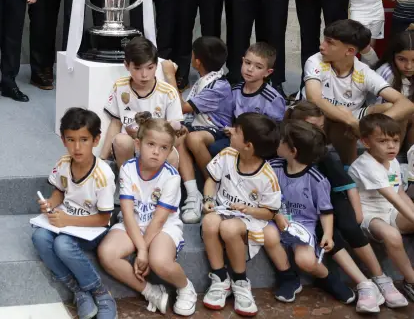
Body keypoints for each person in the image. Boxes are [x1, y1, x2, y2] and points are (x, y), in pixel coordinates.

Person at [286, 102, 409, 309]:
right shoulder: (284, 156)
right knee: (328, 232)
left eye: (320, 126)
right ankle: (363, 282)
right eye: (312, 126)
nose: (317, 131)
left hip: (332, 198)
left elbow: (347, 184)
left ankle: (380, 277)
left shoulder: (322, 153)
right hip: (306, 209)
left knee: (350, 225)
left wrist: (357, 213)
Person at [97, 114, 196, 316]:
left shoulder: (172, 177)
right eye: (151, 144)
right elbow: (126, 211)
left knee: (159, 261)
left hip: (162, 227)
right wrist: (142, 250)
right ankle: (150, 291)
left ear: (170, 151)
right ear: (138, 143)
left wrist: (144, 250)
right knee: (107, 253)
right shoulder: (127, 169)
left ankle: (185, 287)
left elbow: (159, 220)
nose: (156, 152)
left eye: (164, 148)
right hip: (132, 223)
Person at [32, 108, 117, 319]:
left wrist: (67, 220)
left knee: (62, 244)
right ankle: (78, 290)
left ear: (96, 140)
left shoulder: (103, 175)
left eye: (84, 140)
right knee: (39, 237)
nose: (77, 147)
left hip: (92, 229)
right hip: (67, 222)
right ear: (63, 140)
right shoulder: (63, 163)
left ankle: (101, 292)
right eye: (71, 140)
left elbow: (104, 218)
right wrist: (50, 203)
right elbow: (59, 191)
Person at [265, 122, 357, 306]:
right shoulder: (272, 166)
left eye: (282, 140)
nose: (278, 142)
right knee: (268, 234)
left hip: (303, 226)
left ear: (293, 151)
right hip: (275, 220)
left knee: (306, 260)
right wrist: (275, 215)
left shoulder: (317, 180)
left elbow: (326, 211)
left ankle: (327, 279)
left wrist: (329, 234)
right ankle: (288, 278)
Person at [199, 113, 281, 316]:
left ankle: (240, 280)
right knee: (210, 222)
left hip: (251, 219)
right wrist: (208, 200)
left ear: (248, 146)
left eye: (237, 131)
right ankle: (220, 278)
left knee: (228, 227)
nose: (231, 131)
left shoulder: (267, 176)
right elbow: (212, 179)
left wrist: (249, 210)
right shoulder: (227, 154)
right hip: (223, 209)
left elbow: (270, 213)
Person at [301, 19, 414, 164]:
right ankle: (351, 164)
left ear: (350, 51)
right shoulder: (316, 60)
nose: (322, 46)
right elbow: (314, 98)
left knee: (391, 108)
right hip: (313, 116)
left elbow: (406, 104)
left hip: (351, 120)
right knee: (341, 114)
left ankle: (384, 163)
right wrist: (350, 121)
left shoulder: (363, 72)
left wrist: (374, 127)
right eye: (324, 40)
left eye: (330, 42)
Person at [160, 37, 232, 224]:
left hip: (217, 130)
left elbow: (180, 107)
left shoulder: (218, 86)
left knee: (192, 139)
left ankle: (213, 184)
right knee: (178, 135)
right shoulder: (206, 79)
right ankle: (193, 193)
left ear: (197, 61)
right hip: (199, 126)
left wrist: (169, 76)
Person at [349, 114, 414, 301]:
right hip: (370, 216)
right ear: (366, 142)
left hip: (391, 211)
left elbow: (400, 193)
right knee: (392, 236)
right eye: (383, 141)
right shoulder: (365, 165)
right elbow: (393, 198)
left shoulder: (393, 161)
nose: (392, 146)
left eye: (395, 140)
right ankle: (410, 280)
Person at [100, 37, 182, 168]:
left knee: (171, 155)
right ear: (127, 65)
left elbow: (177, 134)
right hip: (131, 145)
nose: (144, 75)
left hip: (157, 147)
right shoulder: (120, 86)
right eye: (137, 68)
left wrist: (157, 145)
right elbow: (115, 123)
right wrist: (102, 159)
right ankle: (126, 180)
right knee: (121, 141)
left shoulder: (168, 92)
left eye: (150, 68)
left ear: (156, 65)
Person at [376, 30, 414, 152]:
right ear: (393, 56)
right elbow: (382, 112)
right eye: (402, 59)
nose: (408, 66)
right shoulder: (387, 74)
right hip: (381, 124)